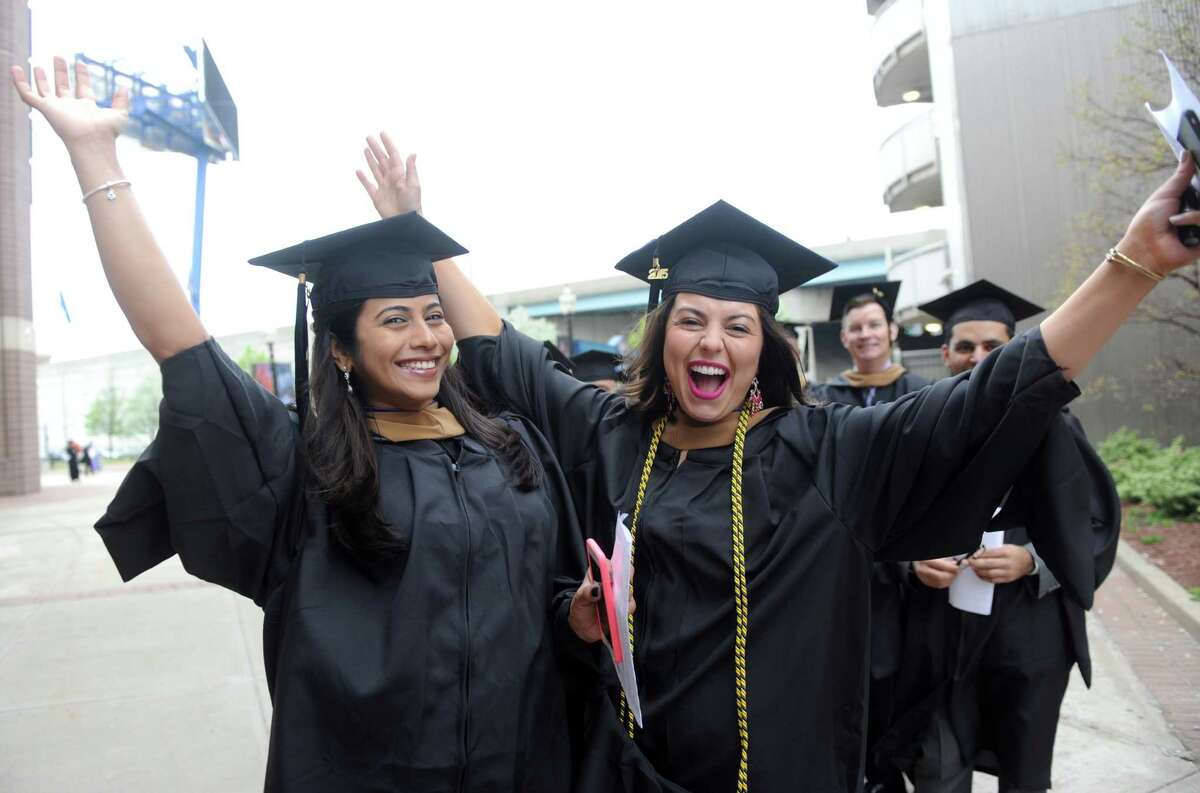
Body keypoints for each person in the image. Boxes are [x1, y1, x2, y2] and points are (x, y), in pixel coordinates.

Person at [358, 129, 1199, 793]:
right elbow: (503, 354)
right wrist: (416, 236)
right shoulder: (613, 433)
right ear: (663, 333)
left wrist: (1135, 264)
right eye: (690, 319)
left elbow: (989, 396)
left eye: (738, 324)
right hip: (627, 773)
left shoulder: (824, 452)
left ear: (766, 347)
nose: (712, 340)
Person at [11, 58, 606, 793]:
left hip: (520, 771)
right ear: (340, 350)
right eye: (394, 320)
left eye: (432, 316)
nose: (425, 336)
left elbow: (543, 598)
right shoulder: (311, 475)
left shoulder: (511, 448)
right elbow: (181, 345)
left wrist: (575, 616)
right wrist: (96, 157)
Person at [881, 280, 1121, 793]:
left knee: (1025, 771)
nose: (978, 357)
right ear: (944, 353)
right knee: (940, 768)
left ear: (1016, 349)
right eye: (965, 346)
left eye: (993, 345)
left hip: (1027, 632)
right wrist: (910, 564)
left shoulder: (1055, 427)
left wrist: (1032, 560)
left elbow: (1096, 524)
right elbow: (878, 522)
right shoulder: (917, 431)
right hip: (940, 631)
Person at [812, 280, 930, 793]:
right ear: (844, 337)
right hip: (849, 562)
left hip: (910, 569)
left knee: (902, 677)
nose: (865, 335)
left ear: (892, 331)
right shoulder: (823, 399)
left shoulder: (923, 391)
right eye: (855, 328)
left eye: (873, 325)